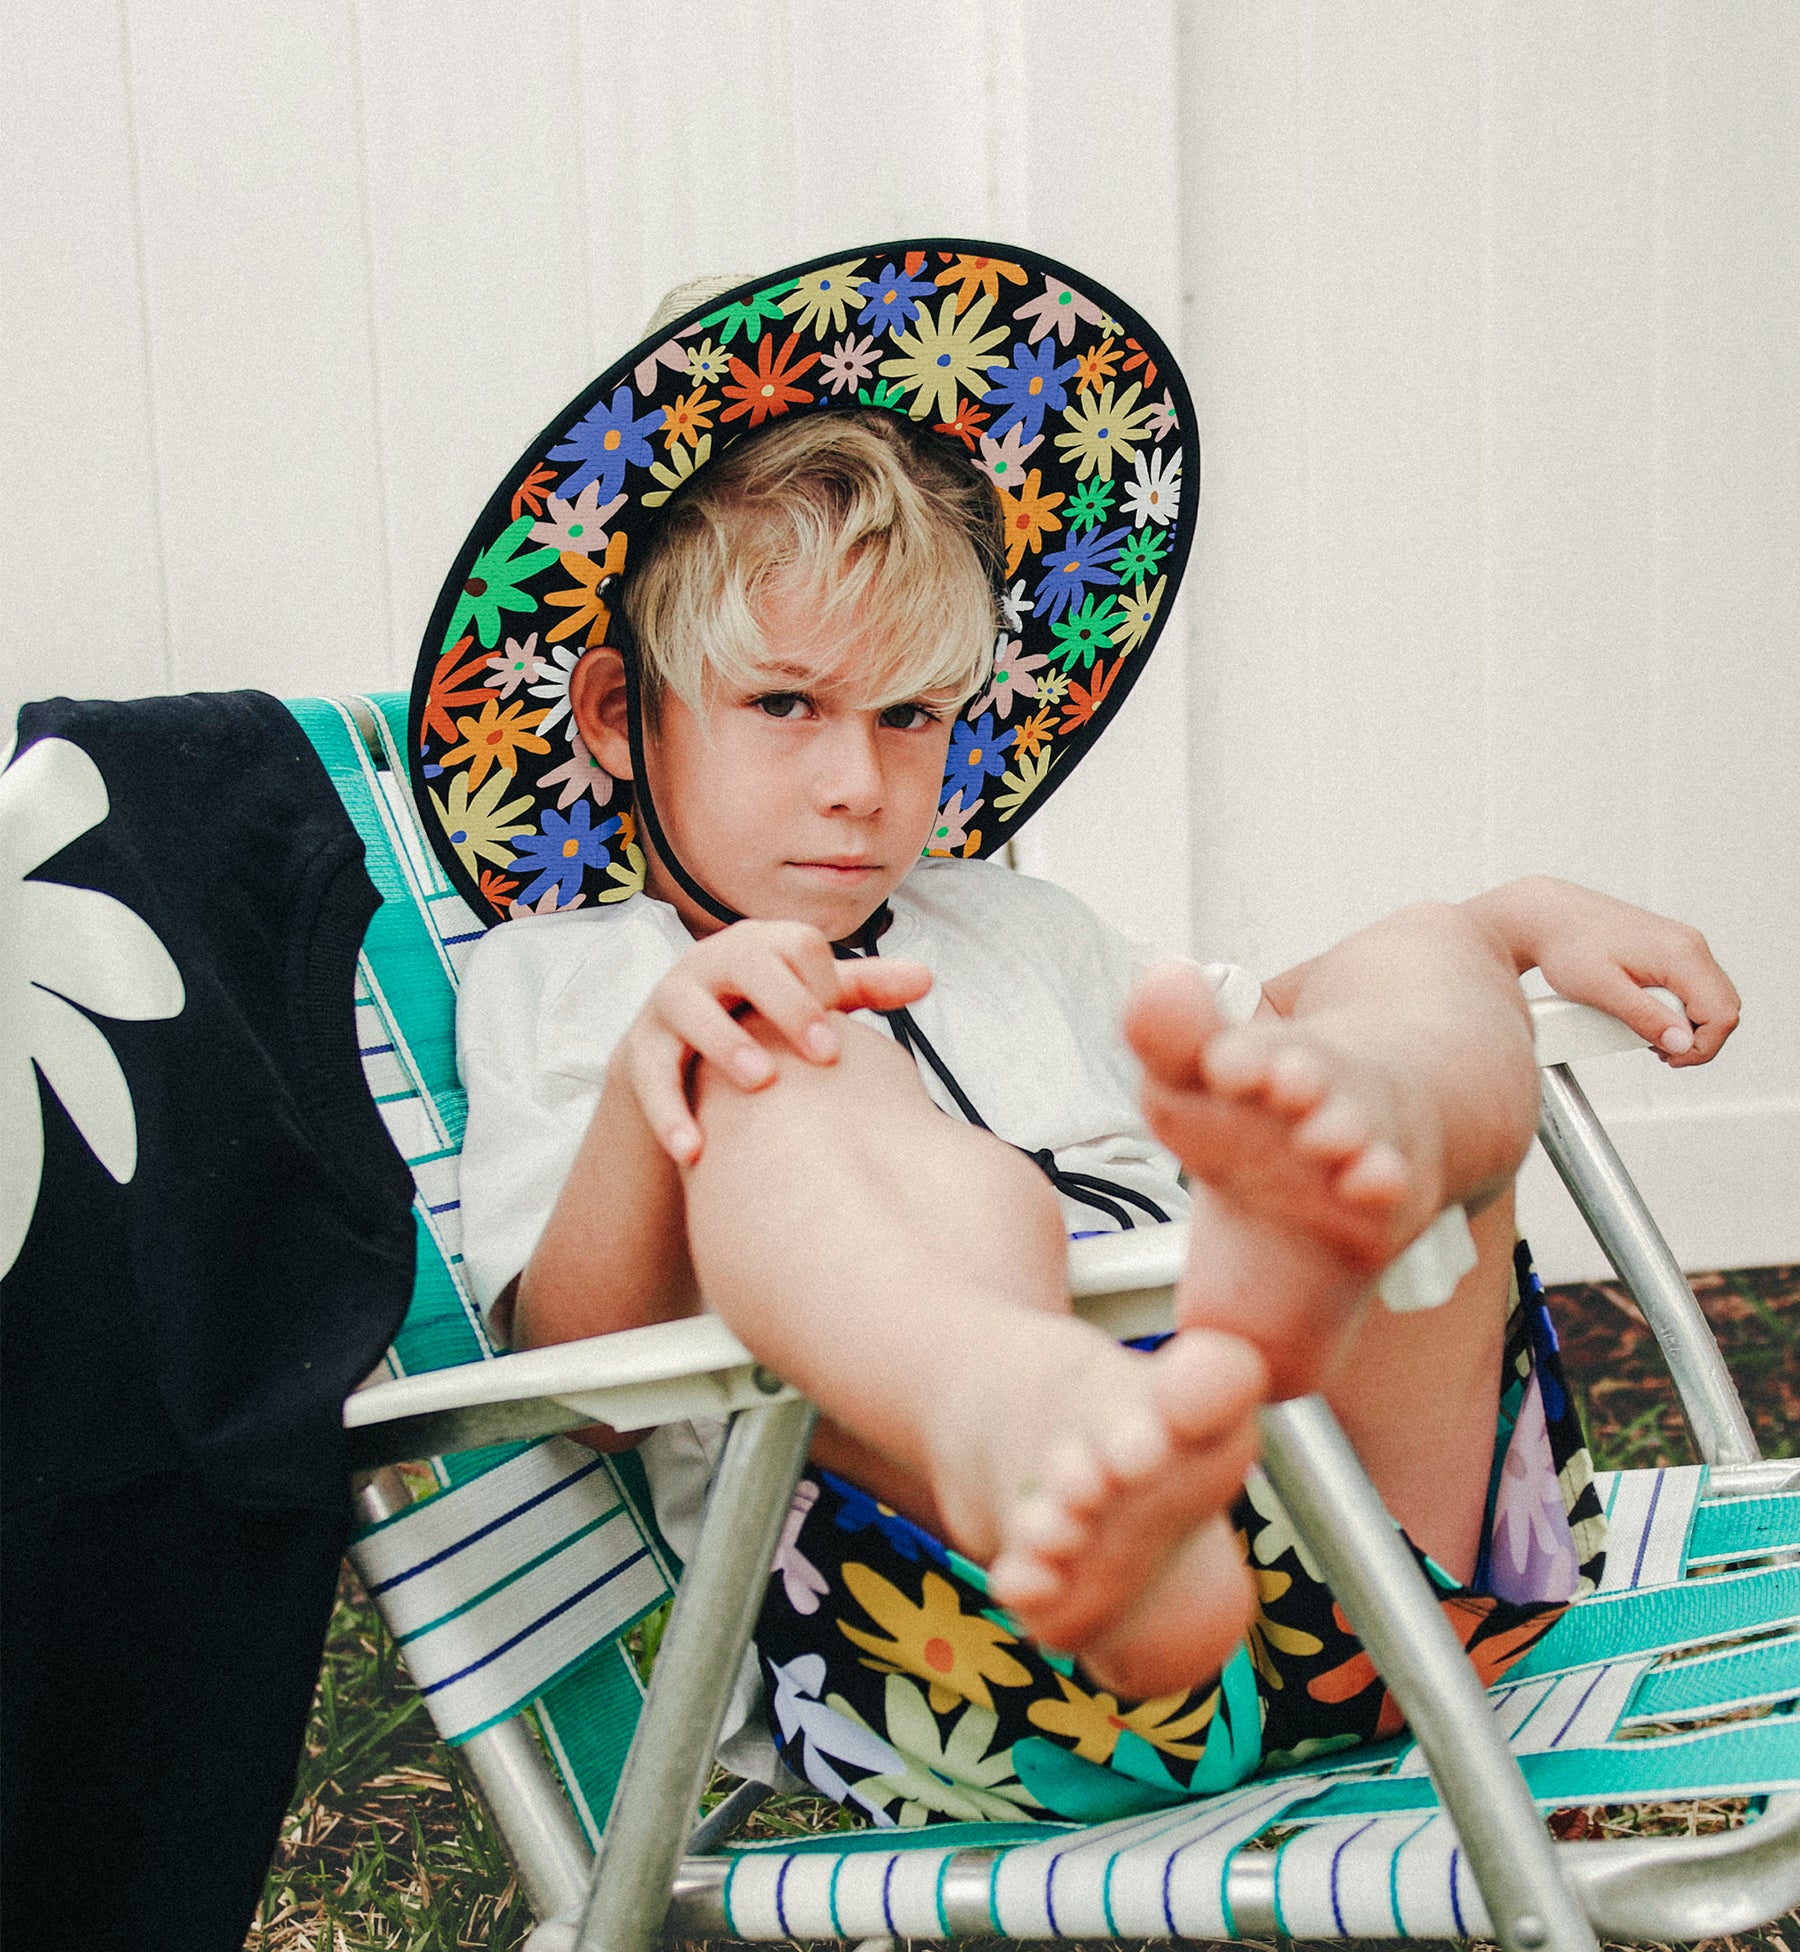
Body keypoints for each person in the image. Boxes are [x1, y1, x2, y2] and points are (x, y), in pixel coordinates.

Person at [438, 248, 1738, 1823]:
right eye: (784, 704)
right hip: (991, 1647)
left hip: (1397, 1554)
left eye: (911, 717)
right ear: (609, 714)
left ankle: (1382, 1151)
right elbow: (573, 1379)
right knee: (796, 1059)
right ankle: (1022, 1413)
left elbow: (1242, 1037)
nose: (861, 783)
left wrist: (1497, 935)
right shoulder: (572, 983)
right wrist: (670, 1088)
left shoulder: (1017, 929)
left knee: (1401, 962)